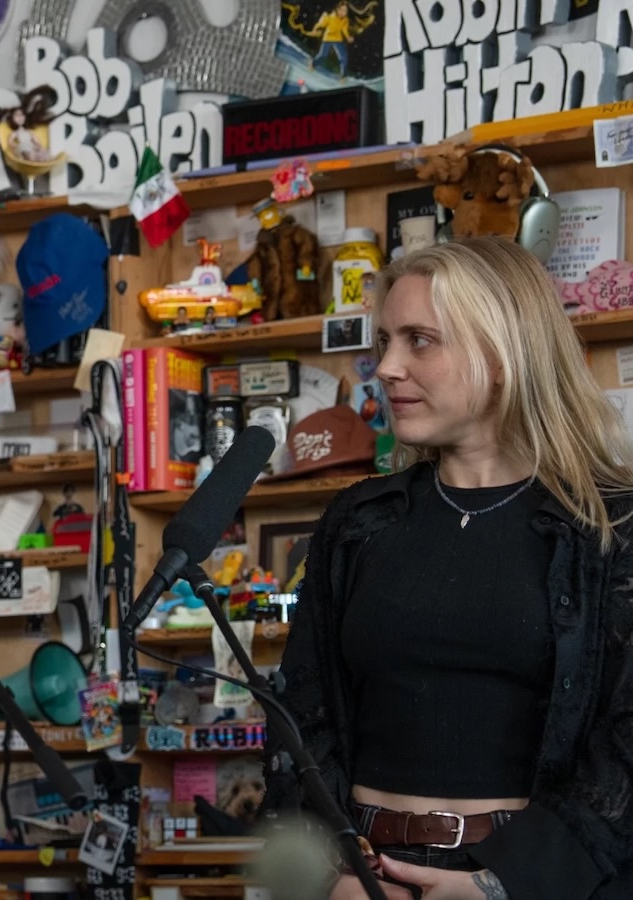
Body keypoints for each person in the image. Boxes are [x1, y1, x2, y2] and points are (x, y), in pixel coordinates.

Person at [263, 236, 633, 899]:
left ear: (502, 355)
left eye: (420, 341)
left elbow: (625, 746)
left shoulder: (611, 525)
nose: (387, 367)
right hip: (364, 877)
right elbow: (301, 718)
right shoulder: (358, 521)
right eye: (385, 341)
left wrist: (498, 885)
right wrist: (333, 874)